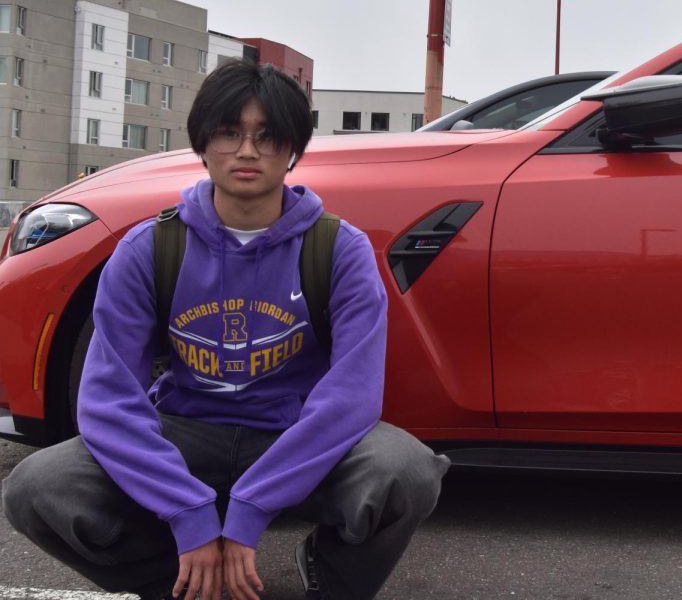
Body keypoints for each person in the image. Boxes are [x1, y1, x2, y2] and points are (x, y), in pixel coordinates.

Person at [3, 59, 449, 600]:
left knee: (406, 471)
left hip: (291, 431)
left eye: (267, 136)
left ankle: (330, 581)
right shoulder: (150, 248)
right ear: (203, 143)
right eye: (229, 132)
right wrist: (189, 517)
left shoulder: (339, 250)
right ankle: (188, 583)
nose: (246, 150)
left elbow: (350, 398)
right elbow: (107, 398)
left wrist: (250, 510)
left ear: (292, 149)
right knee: (38, 487)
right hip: (185, 428)